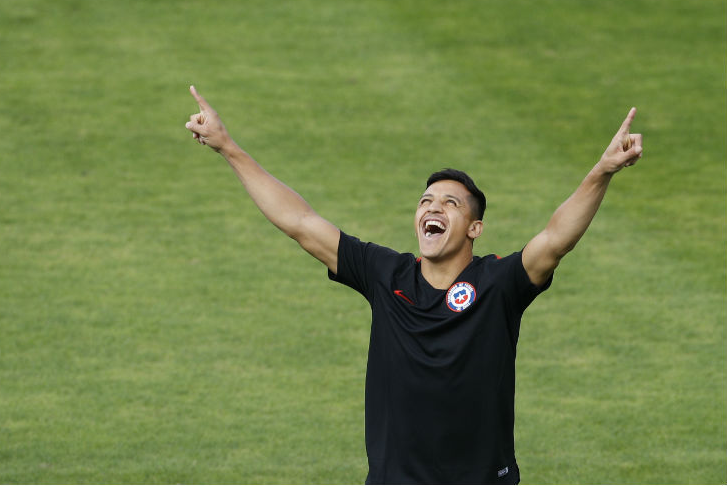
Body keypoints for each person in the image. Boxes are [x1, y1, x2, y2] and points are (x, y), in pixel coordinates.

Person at [184, 85, 643, 484]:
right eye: (425, 201)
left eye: (450, 203)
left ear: (474, 228)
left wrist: (601, 171)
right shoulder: (386, 274)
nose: (432, 208)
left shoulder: (498, 283)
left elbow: (555, 239)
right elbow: (301, 222)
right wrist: (229, 148)